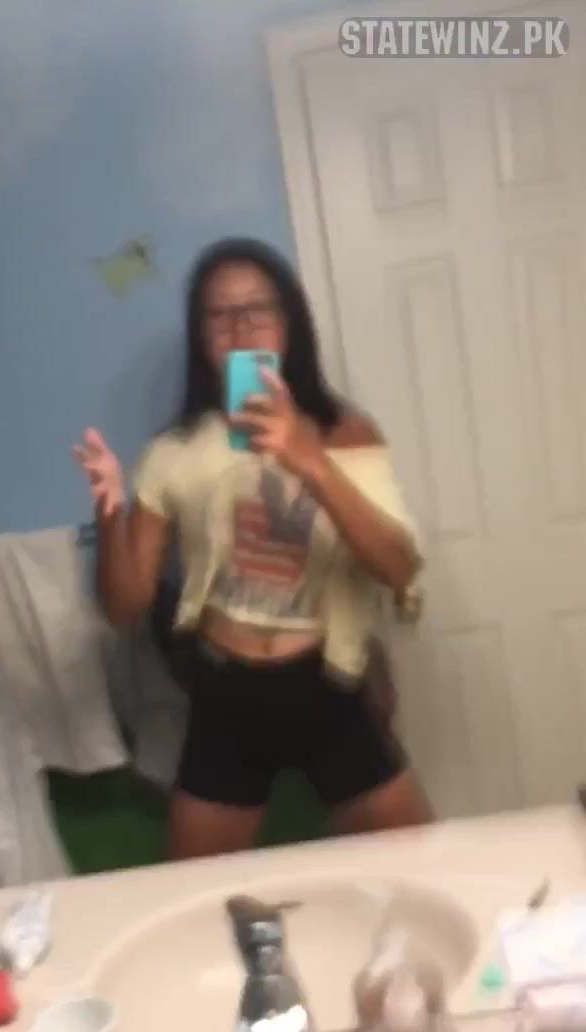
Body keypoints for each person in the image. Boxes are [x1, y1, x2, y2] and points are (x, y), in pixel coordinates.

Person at [75, 237, 432, 859]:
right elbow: (125, 607)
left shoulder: (345, 432)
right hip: (227, 693)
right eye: (219, 315)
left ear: (290, 322)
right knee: (193, 892)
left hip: (328, 682)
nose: (240, 330)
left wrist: (310, 461)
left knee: (419, 866)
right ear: (201, 336)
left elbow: (399, 567)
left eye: (257, 309)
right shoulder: (173, 452)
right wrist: (108, 511)